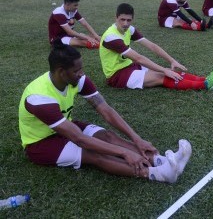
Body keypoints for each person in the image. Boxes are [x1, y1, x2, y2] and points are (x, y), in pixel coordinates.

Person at [18, 42, 192, 183]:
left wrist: (136, 139)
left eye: (81, 68)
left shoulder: (77, 80)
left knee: (108, 136)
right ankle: (158, 173)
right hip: (41, 143)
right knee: (94, 154)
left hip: (64, 124)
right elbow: (80, 140)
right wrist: (123, 153)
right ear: (61, 72)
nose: (81, 74)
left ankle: (160, 161)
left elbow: (106, 110)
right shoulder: (39, 98)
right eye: (76, 70)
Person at [100, 3, 213, 90]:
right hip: (117, 76)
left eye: (128, 20)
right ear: (115, 18)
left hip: (130, 66)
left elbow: (152, 46)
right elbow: (139, 58)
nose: (125, 23)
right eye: (122, 20)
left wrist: (172, 61)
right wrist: (164, 70)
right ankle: (205, 85)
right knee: (161, 75)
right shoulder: (111, 37)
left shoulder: (129, 29)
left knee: (169, 71)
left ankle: (204, 79)